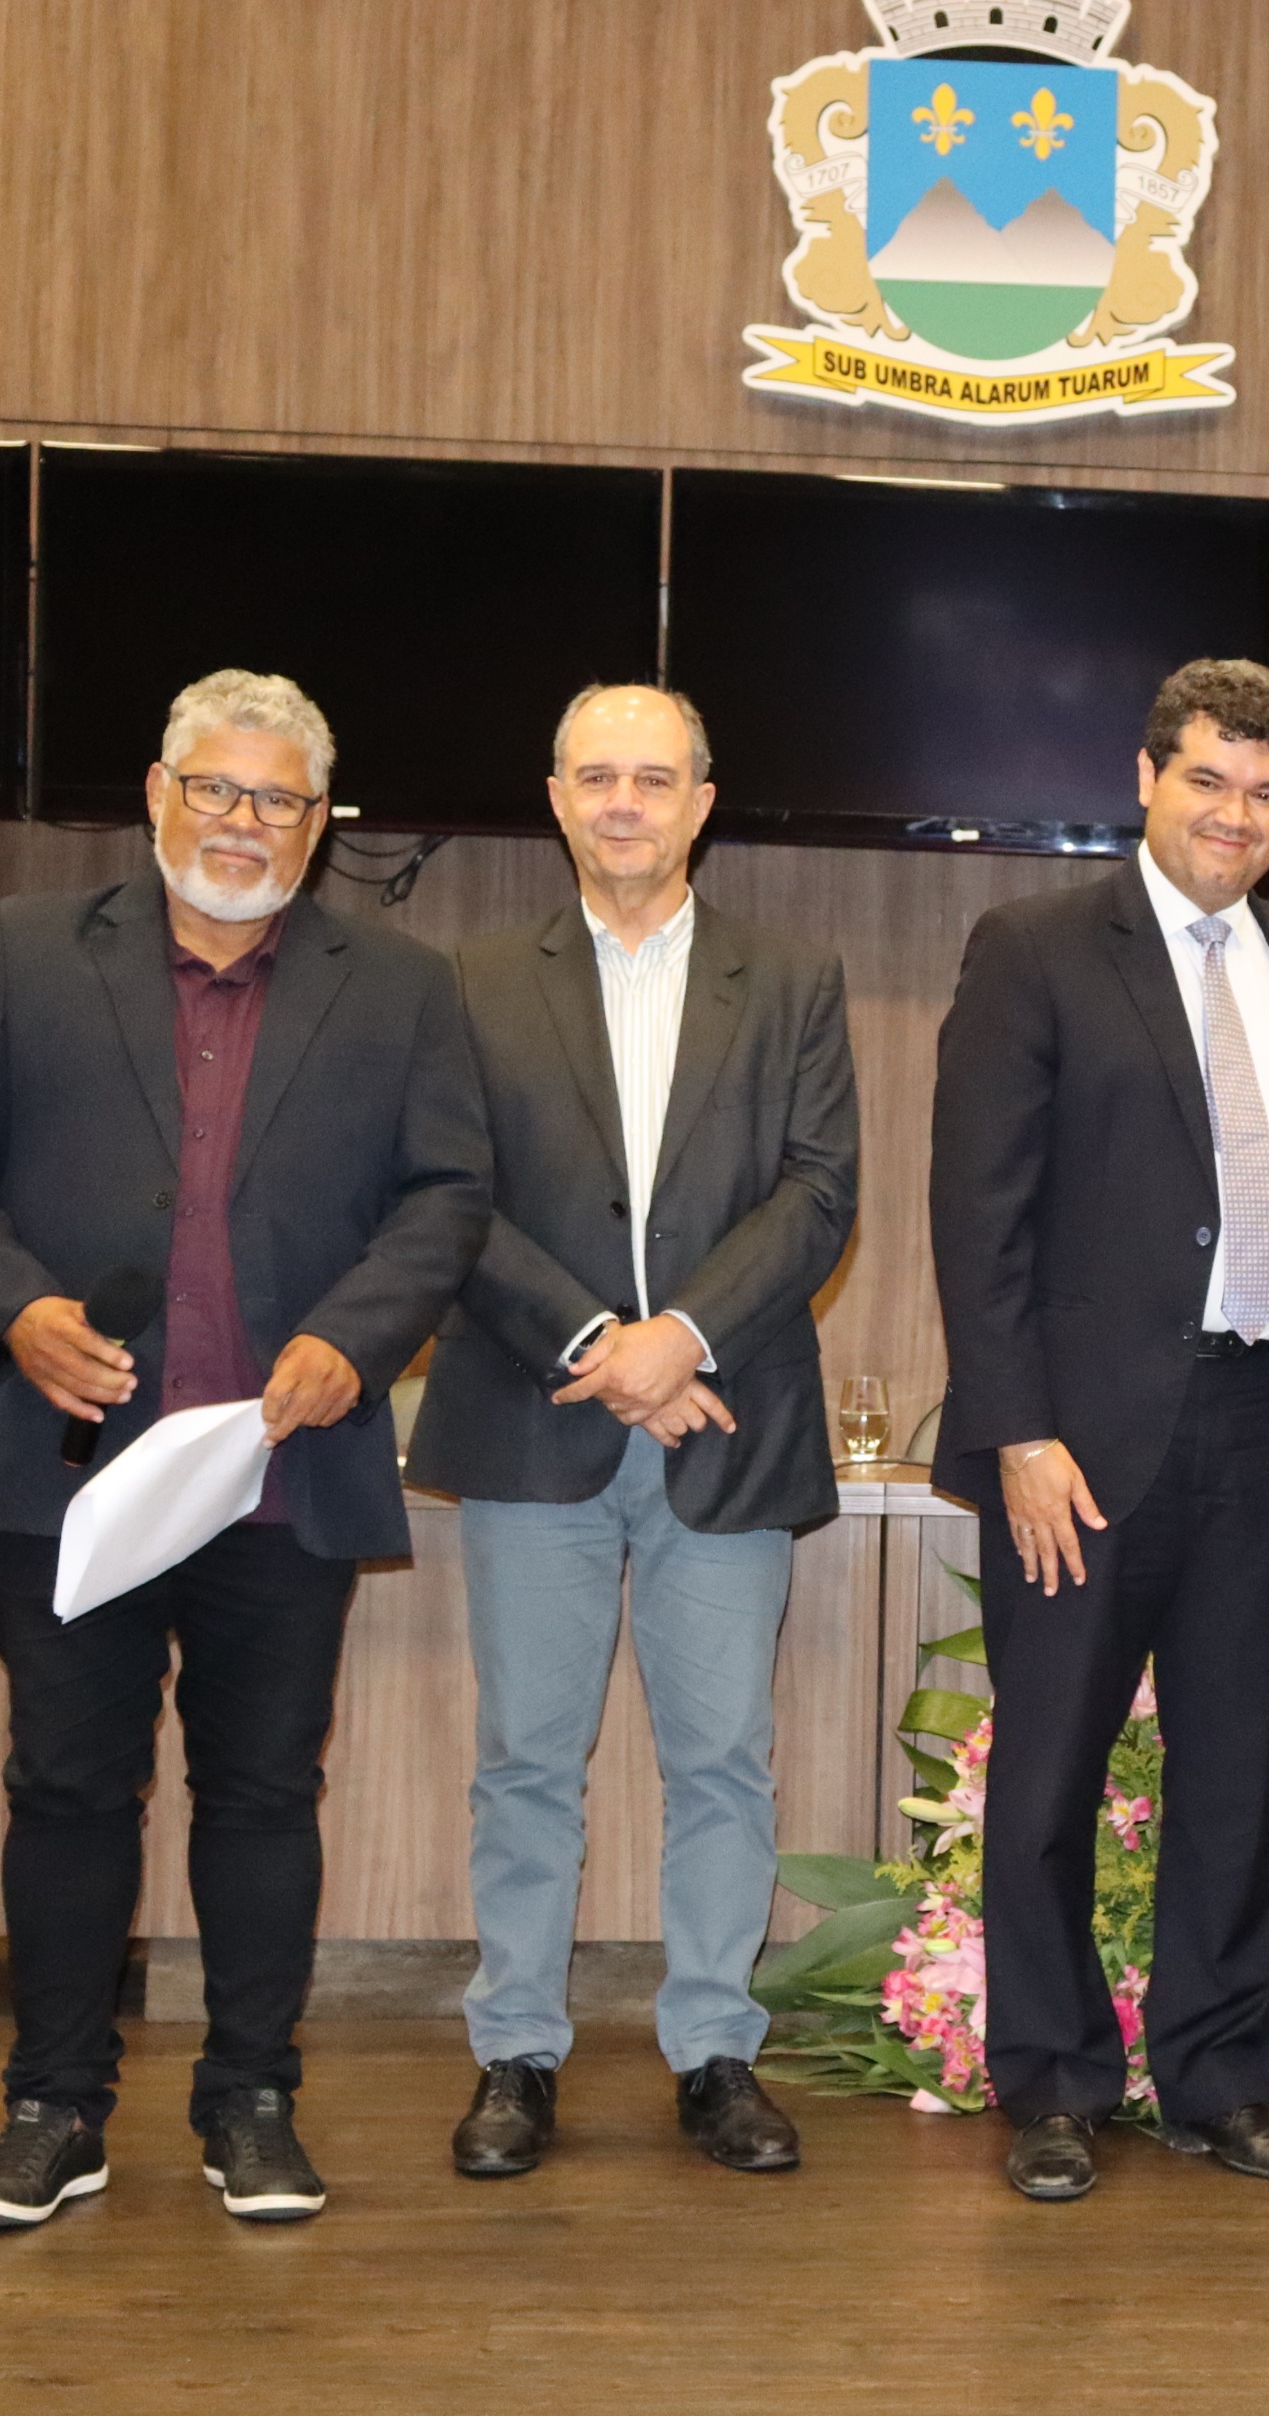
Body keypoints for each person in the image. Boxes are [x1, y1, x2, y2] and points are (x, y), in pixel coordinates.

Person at [0, 668, 489, 2230]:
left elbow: (447, 1196)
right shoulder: (29, 948)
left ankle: (252, 2102)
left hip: (278, 1471)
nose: (242, 823)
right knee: (67, 1789)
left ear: (319, 823)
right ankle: (52, 2110)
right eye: (216, 788)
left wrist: (355, 1340)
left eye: (278, 799)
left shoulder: (401, 985)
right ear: (158, 794)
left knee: (265, 1793)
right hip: (70, 1468)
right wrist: (13, 1310)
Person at [404, 684, 861, 2182]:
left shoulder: (790, 977)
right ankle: (515, 2053)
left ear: (700, 803)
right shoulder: (471, 980)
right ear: (554, 797)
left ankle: (715, 2051)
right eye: (596, 776)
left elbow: (817, 1191)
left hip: (725, 1425)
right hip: (534, 1414)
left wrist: (682, 1337)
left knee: (723, 1759)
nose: (623, 803)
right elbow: (449, 1193)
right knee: (525, 1759)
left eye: (653, 779)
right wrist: (605, 1346)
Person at [929, 659, 1269, 2202]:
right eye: (1210, 782)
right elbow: (976, 1211)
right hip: (1082, 1444)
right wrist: (1017, 1430)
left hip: (1260, 1420)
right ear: (1147, 778)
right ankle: (1051, 2083)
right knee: (1049, 1771)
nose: (1237, 816)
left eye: (1268, 793)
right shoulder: (1036, 946)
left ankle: (1219, 2081)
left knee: (1235, 1777)